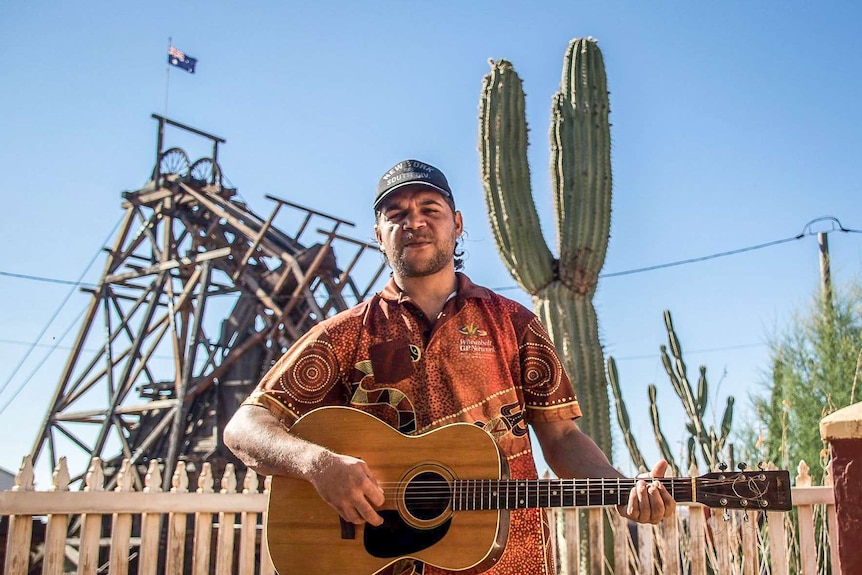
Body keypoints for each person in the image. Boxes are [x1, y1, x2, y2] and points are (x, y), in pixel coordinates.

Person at [224, 159, 675, 575]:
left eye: (429, 208)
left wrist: (621, 489)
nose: (414, 221)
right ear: (377, 234)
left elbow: (561, 437)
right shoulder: (344, 334)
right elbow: (244, 427)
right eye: (395, 213)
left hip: (510, 565)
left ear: (457, 224)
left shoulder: (514, 324)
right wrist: (317, 463)